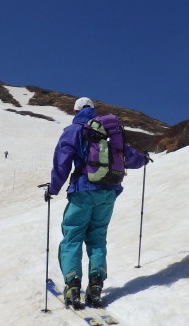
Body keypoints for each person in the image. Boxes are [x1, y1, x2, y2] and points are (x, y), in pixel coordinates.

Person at [43, 96, 149, 308]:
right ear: (93, 110)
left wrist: (53, 188)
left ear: (75, 112)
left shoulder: (73, 131)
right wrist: (144, 158)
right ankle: (96, 284)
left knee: (73, 236)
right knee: (97, 237)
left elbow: (62, 163)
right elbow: (127, 155)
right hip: (108, 193)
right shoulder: (109, 130)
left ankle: (73, 285)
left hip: (83, 190)